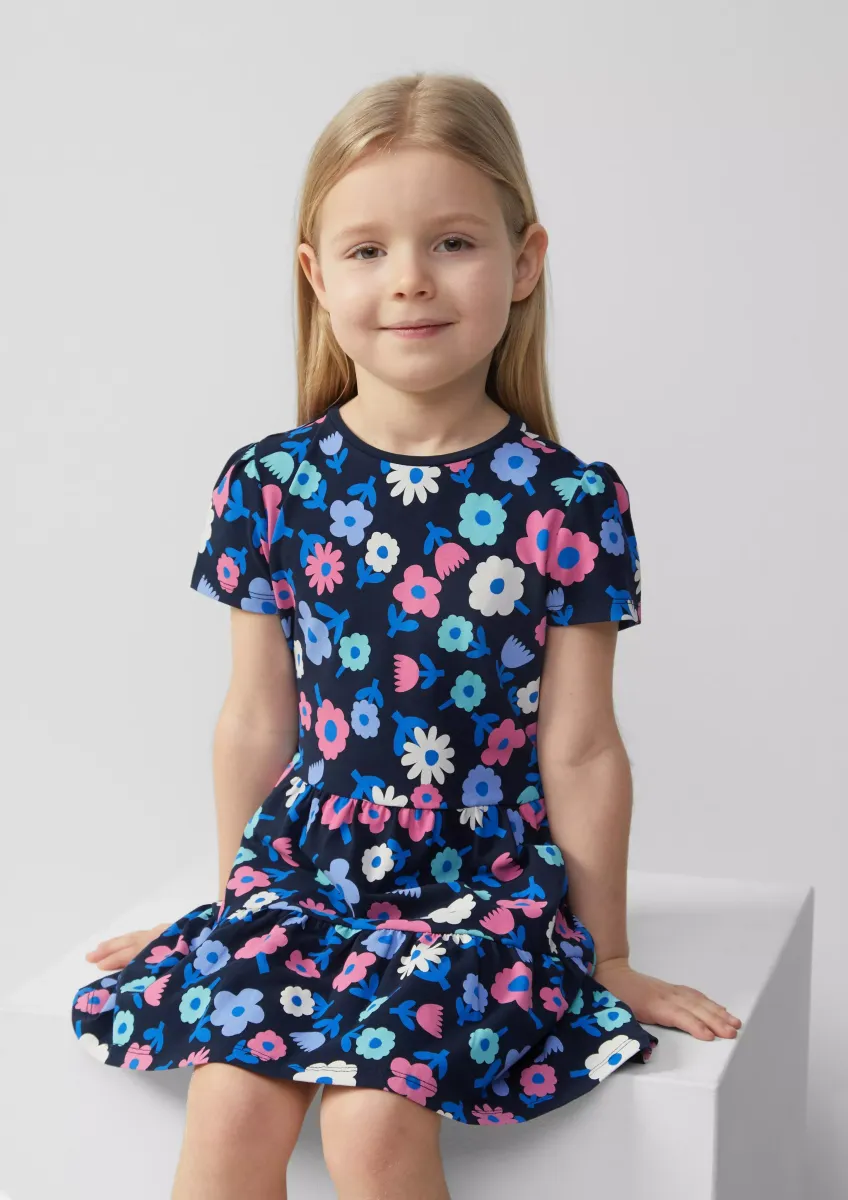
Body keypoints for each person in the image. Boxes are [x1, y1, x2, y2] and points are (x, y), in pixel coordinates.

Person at [70, 71, 741, 1199]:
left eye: (453, 244)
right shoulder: (270, 484)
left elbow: (580, 747)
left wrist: (610, 954)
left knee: (375, 1119)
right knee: (230, 1099)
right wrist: (234, 915)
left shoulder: (567, 501)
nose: (410, 280)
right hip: (310, 872)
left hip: (484, 885)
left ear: (524, 262)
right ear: (315, 276)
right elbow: (255, 721)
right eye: (368, 250)